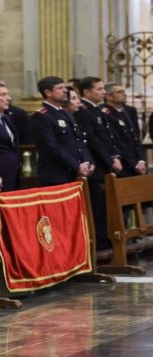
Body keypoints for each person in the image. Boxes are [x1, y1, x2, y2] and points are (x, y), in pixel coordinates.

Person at [74, 76, 121, 250]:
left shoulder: (98, 110)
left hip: (106, 164)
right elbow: (92, 140)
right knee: (98, 208)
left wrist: (115, 156)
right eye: (99, 89)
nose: (103, 92)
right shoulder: (83, 111)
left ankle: (108, 239)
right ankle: (101, 243)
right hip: (97, 166)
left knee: (107, 206)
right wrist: (109, 159)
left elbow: (108, 138)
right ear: (86, 92)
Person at [31, 76, 93, 186]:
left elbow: (80, 140)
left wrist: (87, 162)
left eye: (64, 87)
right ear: (48, 92)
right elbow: (51, 148)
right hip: (57, 175)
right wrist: (76, 166)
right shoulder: (42, 116)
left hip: (74, 173)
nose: (65, 90)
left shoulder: (66, 113)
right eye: (60, 88)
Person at [103, 83, 146, 177]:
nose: (124, 94)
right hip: (124, 164)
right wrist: (133, 163)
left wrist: (142, 160)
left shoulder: (126, 111)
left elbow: (136, 137)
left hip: (137, 162)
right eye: (119, 92)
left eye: (123, 91)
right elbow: (117, 142)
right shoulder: (106, 114)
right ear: (109, 97)